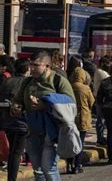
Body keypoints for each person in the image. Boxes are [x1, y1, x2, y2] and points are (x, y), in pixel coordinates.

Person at [11, 50, 75, 180]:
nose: (32, 68)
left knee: (49, 168)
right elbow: (18, 100)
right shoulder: (27, 82)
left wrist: (46, 105)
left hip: (52, 133)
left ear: (47, 66)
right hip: (33, 132)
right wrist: (17, 107)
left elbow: (71, 104)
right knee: (38, 171)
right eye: (31, 65)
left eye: (36, 65)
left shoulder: (58, 81)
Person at [0, 58, 29, 181]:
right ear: (27, 69)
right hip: (22, 123)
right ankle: (12, 178)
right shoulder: (27, 82)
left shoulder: (7, 81)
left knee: (13, 150)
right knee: (17, 152)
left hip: (7, 121)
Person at [66, 67, 95, 174]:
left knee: (70, 141)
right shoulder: (86, 88)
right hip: (83, 117)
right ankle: (78, 165)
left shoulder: (69, 87)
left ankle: (69, 164)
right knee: (80, 142)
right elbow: (91, 102)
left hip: (71, 116)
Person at [93, 56, 111, 145]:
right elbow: (110, 79)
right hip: (102, 98)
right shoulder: (101, 73)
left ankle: (101, 137)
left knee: (101, 119)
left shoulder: (98, 71)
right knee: (101, 119)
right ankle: (100, 138)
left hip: (99, 97)